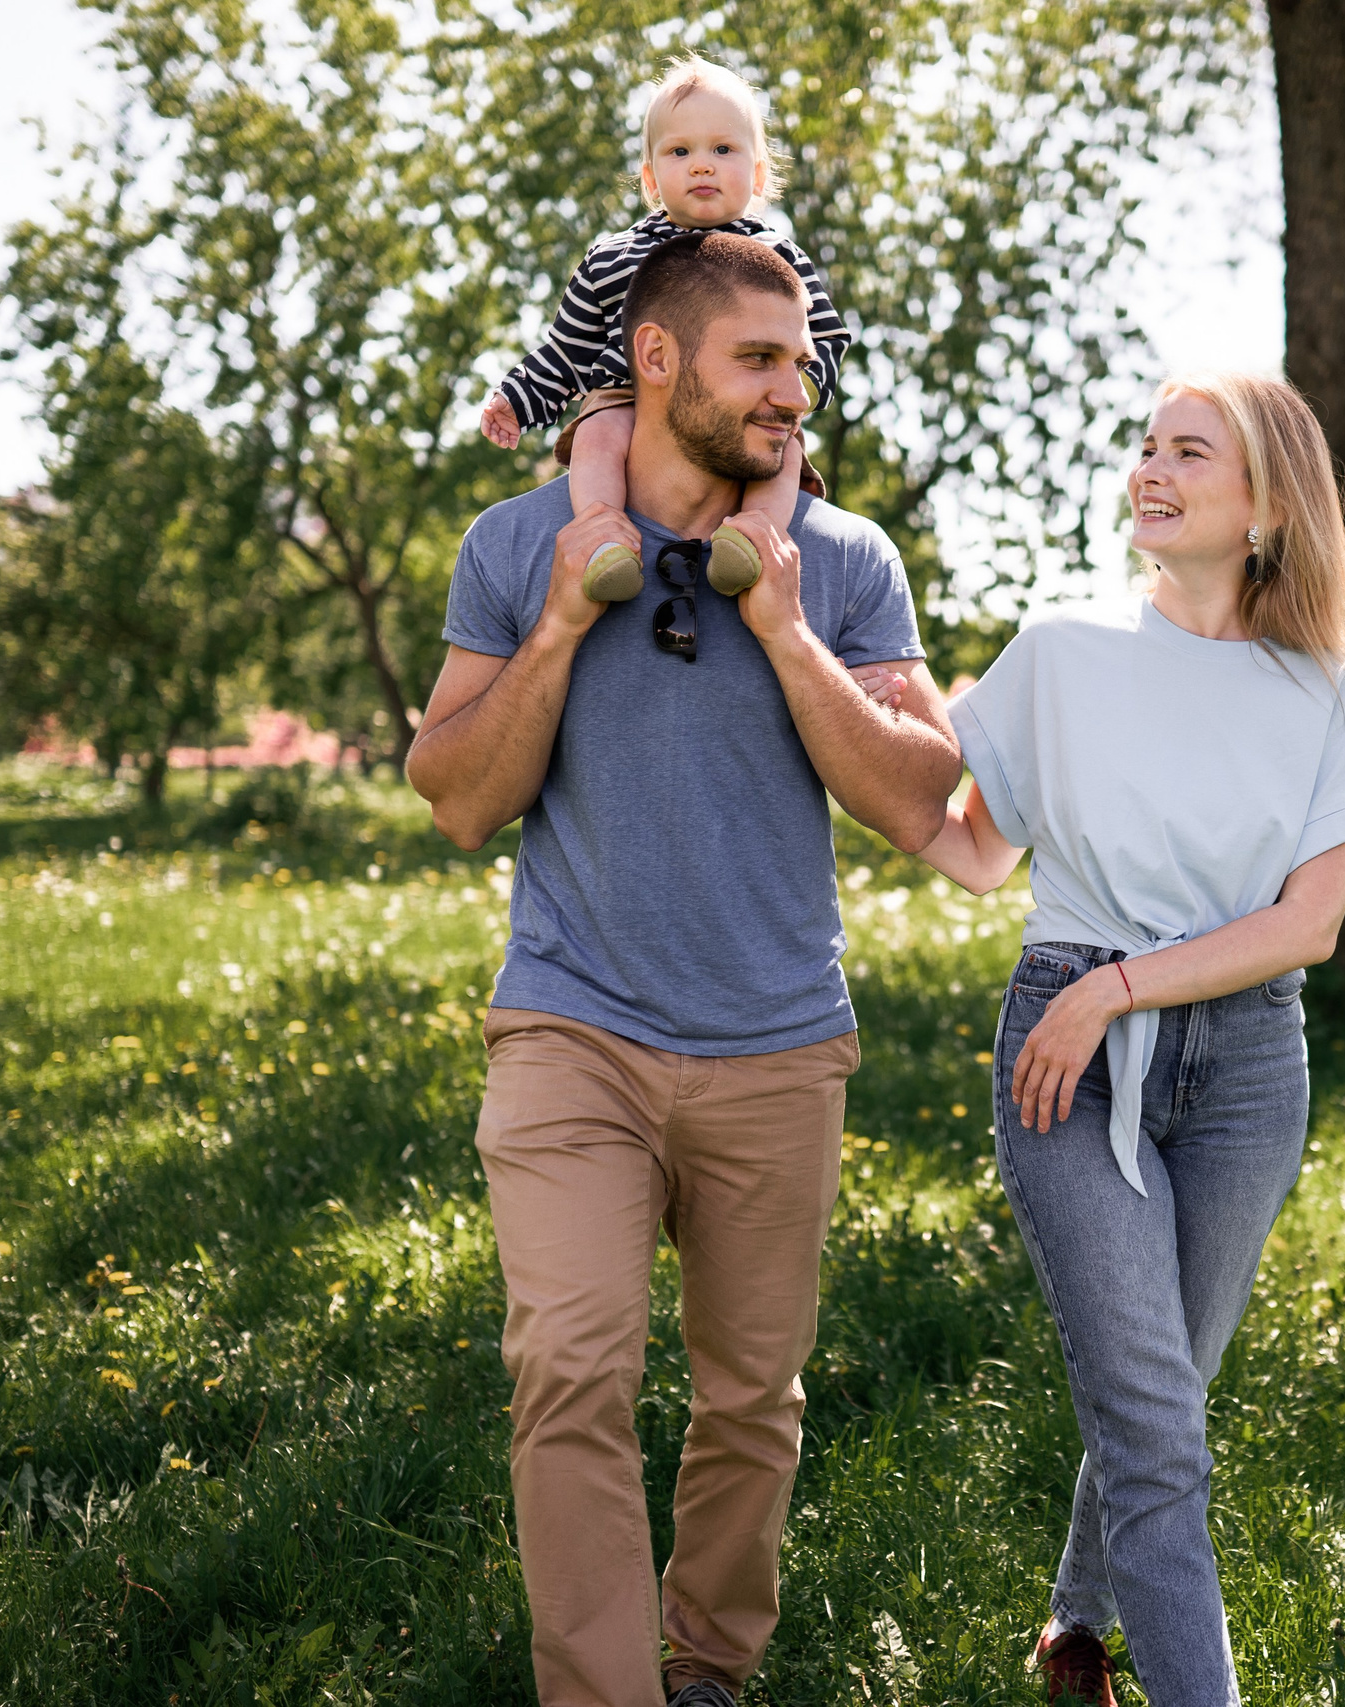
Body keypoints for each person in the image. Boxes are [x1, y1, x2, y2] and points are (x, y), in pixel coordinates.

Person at [408, 230, 960, 1707]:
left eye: (802, 360)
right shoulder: (519, 544)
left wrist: (783, 628)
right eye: (760, 362)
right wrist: (562, 621)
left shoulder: (844, 559)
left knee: (747, 1398)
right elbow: (458, 794)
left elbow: (920, 794)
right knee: (573, 1369)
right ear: (656, 362)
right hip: (572, 1024)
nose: (797, 390)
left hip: (776, 1038)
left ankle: (707, 1661)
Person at [915, 373, 1345, 1706]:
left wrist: (1122, 986)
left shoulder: (1332, 683)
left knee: (1170, 1389)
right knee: (1156, 1426)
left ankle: (1075, 1619)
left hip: (1248, 1066)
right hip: (1065, 1063)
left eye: (1186, 450)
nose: (1149, 466)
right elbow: (967, 849)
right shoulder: (1063, 651)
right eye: (1142, 444)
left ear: (1264, 503)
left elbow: (1309, 924)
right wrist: (839, 697)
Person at [480, 56, 850, 605]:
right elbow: (567, 350)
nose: (702, 166)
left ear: (758, 174)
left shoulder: (778, 258)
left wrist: (793, 394)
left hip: (747, 412)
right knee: (596, 435)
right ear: (651, 178)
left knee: (784, 454)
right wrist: (517, 399)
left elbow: (826, 335)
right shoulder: (613, 256)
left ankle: (752, 541)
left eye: (722, 149)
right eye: (680, 152)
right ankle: (605, 540)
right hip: (626, 395)